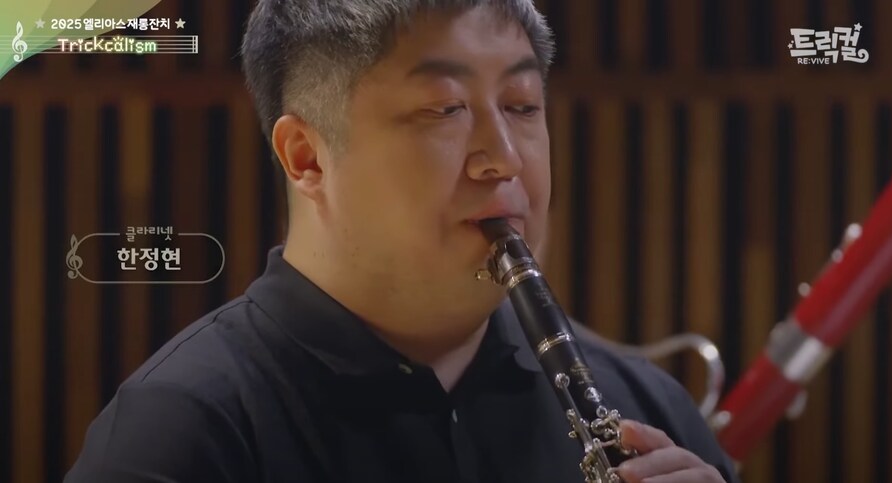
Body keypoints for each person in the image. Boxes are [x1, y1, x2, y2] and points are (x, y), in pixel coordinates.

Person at [65, 1, 739, 482]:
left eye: (522, 106)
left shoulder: (649, 409)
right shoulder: (179, 436)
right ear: (306, 157)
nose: (504, 158)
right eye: (444, 109)